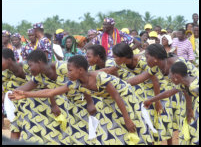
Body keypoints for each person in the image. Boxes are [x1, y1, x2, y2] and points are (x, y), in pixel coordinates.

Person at [10, 55, 153, 145]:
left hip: (125, 97)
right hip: (108, 101)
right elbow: (51, 91)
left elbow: (117, 96)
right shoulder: (75, 83)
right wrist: (26, 94)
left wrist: (127, 119)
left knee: (135, 126)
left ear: (80, 70)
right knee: (108, 130)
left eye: (70, 70)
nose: (68, 73)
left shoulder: (99, 78)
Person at [8, 50, 93, 145]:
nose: (29, 69)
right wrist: (12, 93)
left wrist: (90, 103)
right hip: (68, 103)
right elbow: (29, 88)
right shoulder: (39, 77)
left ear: (39, 62)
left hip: (82, 100)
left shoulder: (63, 67)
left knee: (85, 136)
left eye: (30, 65)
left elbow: (85, 79)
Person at [126, 43, 199, 144]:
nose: (145, 60)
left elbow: (187, 86)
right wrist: (120, 84)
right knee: (186, 127)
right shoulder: (157, 67)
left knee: (193, 125)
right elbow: (139, 78)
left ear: (155, 57)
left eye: (147, 57)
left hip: (194, 95)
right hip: (185, 94)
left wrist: (189, 109)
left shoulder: (176, 64)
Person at [112, 42, 174, 144]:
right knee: (149, 119)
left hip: (159, 88)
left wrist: (157, 101)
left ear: (123, 56)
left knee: (164, 118)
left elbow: (155, 81)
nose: (114, 59)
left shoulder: (142, 61)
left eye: (115, 57)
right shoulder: (121, 64)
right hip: (145, 90)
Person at [144, 61, 199, 145]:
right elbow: (168, 93)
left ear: (176, 76)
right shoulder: (185, 84)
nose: (170, 78)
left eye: (170, 76)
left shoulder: (194, 86)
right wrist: (151, 100)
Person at [2, 48, 32, 140]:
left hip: (32, 105)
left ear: (9, 60)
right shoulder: (4, 74)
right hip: (16, 108)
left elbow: (37, 83)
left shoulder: (27, 67)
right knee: (15, 131)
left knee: (30, 132)